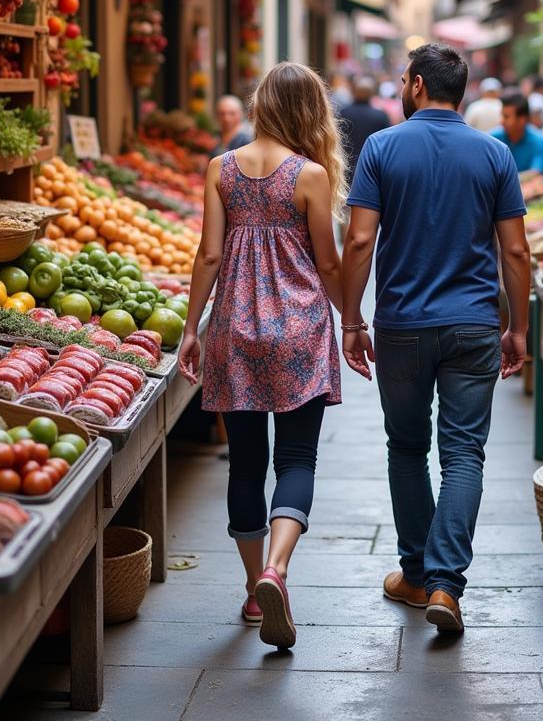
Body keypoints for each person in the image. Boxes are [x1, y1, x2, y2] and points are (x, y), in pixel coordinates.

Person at [341, 43, 531, 635]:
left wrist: (351, 319)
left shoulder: (380, 148)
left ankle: (419, 575)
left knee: (406, 447)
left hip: (401, 325)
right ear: (461, 90)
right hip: (474, 324)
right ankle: (447, 587)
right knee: (463, 454)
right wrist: (518, 327)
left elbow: (359, 242)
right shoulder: (494, 153)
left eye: (403, 79)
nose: (400, 87)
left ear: (418, 85)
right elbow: (516, 250)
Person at [178, 63, 347, 651]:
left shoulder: (221, 169)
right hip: (299, 329)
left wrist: (191, 330)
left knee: (245, 463)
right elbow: (328, 263)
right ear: (309, 112)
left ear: (260, 105)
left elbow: (207, 256)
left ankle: (254, 589)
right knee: (297, 457)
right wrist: (352, 321)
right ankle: (278, 568)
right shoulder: (311, 175)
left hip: (234, 330)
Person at [338, 76, 391, 183]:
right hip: (372, 168)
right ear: (371, 94)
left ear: (354, 92)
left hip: (347, 167)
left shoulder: (344, 113)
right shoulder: (380, 116)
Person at [492, 92, 543, 174]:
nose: (501, 121)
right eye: (501, 116)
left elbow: (536, 173)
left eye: (506, 117)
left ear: (522, 120)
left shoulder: (538, 141)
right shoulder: (494, 139)